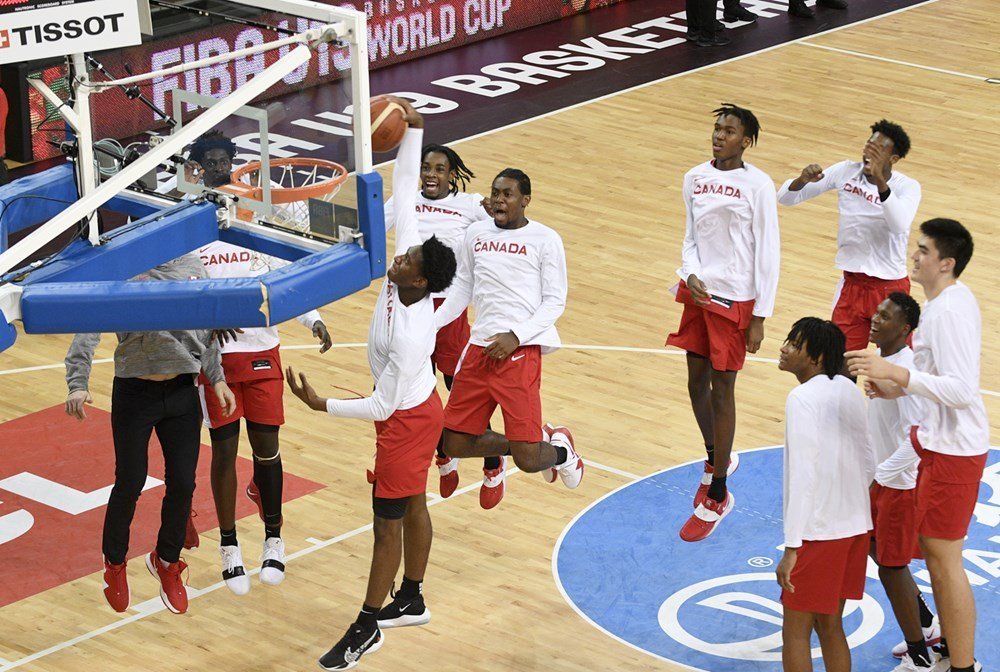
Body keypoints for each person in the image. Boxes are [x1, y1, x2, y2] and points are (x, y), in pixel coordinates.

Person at [285, 98, 457, 671]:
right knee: (410, 506)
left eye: (405, 259)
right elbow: (405, 187)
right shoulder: (403, 278)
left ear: (421, 280)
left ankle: (366, 625)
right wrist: (415, 128)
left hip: (404, 420)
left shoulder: (413, 334)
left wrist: (320, 404)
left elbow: (382, 405)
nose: (396, 256)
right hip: (415, 410)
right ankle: (411, 597)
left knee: (386, 524)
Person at [846, 219, 988, 672]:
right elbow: (940, 380)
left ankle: (964, 667)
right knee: (936, 557)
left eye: (924, 250)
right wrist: (901, 390)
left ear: (946, 263)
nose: (915, 255)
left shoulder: (946, 311)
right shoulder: (945, 303)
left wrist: (896, 375)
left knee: (945, 565)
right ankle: (947, 650)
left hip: (954, 451)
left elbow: (963, 390)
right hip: (939, 445)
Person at [64, 255, 236, 615]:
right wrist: (78, 383)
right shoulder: (121, 268)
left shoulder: (193, 269)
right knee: (130, 482)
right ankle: (114, 564)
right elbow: (88, 326)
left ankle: (167, 562)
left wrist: (216, 378)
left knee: (184, 484)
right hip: (133, 392)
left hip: (182, 391)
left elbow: (207, 331)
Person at [431, 161, 583, 501]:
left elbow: (554, 302)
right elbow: (462, 289)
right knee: (453, 441)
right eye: (495, 193)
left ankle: (561, 452)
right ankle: (531, 441)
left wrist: (516, 335)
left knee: (530, 461)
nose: (499, 200)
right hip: (478, 350)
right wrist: (431, 325)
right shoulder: (477, 233)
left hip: (519, 354)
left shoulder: (546, 239)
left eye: (508, 195)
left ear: (525, 200)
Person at [667, 103, 780, 542]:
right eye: (717, 128)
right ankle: (716, 456)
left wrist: (760, 316)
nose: (719, 135)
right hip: (699, 292)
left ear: (745, 140)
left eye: (729, 131)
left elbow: (768, 251)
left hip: (736, 299)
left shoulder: (759, 185)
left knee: (723, 388)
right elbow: (690, 236)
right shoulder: (694, 176)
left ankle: (718, 492)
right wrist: (690, 272)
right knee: (696, 382)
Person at [195, 237, 332, 594]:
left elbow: (288, 286)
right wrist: (210, 320)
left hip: (261, 353)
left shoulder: (255, 235)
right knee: (224, 451)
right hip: (216, 360)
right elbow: (184, 293)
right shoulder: (194, 242)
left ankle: (274, 538)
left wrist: (314, 320)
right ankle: (229, 545)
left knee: (267, 450)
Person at [384, 143, 502, 507]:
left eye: (439, 169)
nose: (431, 174)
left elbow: (503, 231)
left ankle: (493, 461)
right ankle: (444, 457)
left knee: (460, 392)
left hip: (448, 311)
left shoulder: (470, 206)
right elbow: (370, 226)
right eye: (426, 167)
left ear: (452, 175)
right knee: (417, 391)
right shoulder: (404, 201)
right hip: (408, 308)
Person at [776, 317, 872, 672]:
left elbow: (803, 474)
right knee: (831, 625)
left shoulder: (802, 398)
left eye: (794, 344)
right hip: (856, 528)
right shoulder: (848, 389)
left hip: (819, 533)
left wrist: (792, 547)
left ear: (815, 358)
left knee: (796, 633)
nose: (784, 347)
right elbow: (870, 462)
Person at [777, 120, 920, 353]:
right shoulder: (845, 171)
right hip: (851, 284)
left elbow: (899, 223)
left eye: (879, 149)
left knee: (894, 365)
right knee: (840, 361)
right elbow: (786, 198)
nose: (869, 151)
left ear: (893, 159)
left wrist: (880, 182)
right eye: (869, 144)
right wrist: (802, 180)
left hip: (889, 288)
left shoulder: (907, 187)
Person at [866, 293, 940, 671]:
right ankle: (926, 624)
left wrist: (879, 477)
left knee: (890, 567)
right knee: (877, 553)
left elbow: (919, 436)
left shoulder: (905, 368)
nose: (876, 320)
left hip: (899, 483)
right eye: (877, 313)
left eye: (886, 316)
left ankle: (920, 657)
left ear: (906, 328)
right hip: (883, 477)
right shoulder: (883, 361)